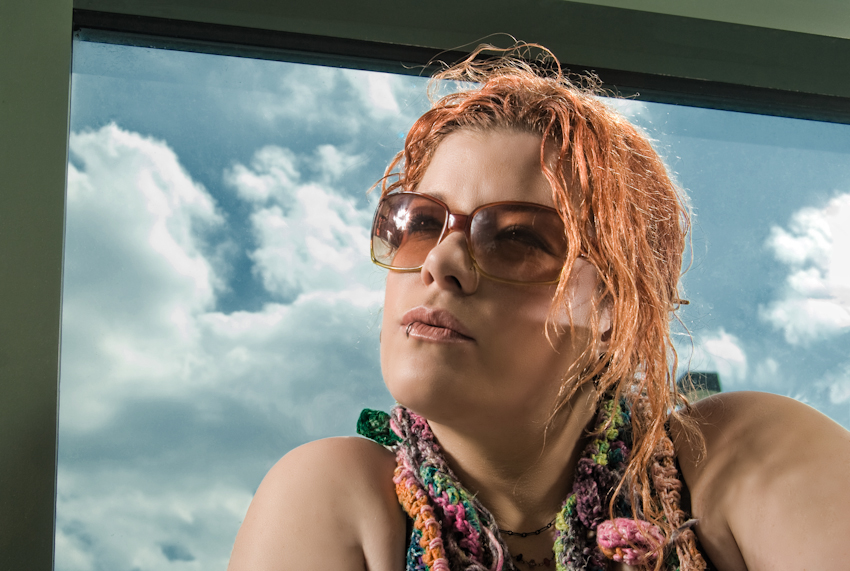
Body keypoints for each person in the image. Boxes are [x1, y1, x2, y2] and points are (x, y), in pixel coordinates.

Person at [227, 45, 850, 571]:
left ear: (613, 304)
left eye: (518, 238)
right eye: (419, 223)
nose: (439, 263)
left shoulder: (735, 456)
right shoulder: (332, 494)